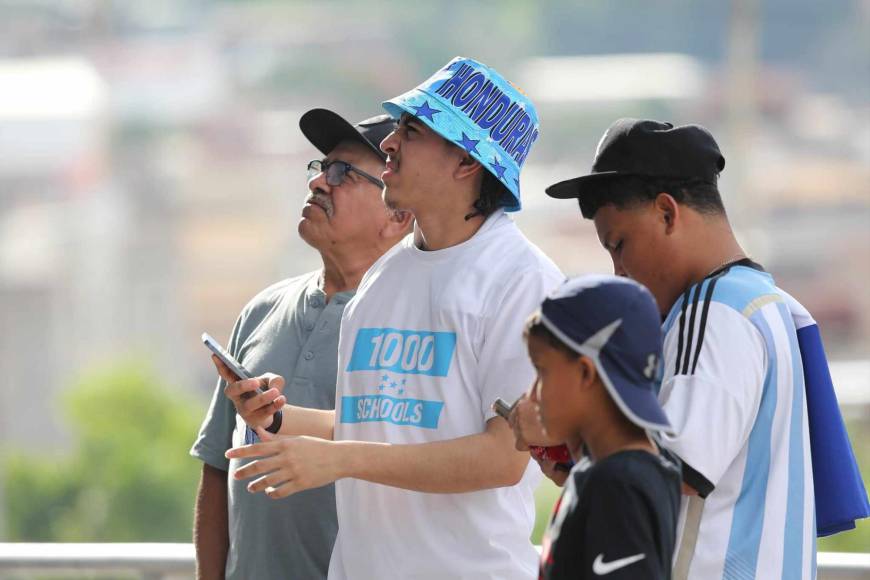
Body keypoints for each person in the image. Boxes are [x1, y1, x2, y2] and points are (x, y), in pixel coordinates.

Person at [225, 56, 563, 579]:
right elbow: (376, 425)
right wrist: (275, 416)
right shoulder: (386, 277)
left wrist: (341, 461)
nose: (388, 143)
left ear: (467, 162)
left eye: (410, 129)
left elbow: (503, 457)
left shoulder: (522, 281)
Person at [544, 118, 819, 579]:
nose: (619, 272)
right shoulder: (765, 300)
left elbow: (675, 470)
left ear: (667, 213)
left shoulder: (711, 310)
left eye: (620, 244)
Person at [189, 109, 410, 580]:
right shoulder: (263, 309)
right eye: (320, 168)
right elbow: (216, 467)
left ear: (398, 215)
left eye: (342, 173)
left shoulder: (409, 327)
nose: (318, 184)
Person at [528, 275, 681, 580]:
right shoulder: (613, 472)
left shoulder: (620, 485)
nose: (533, 394)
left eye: (542, 372)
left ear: (586, 373)